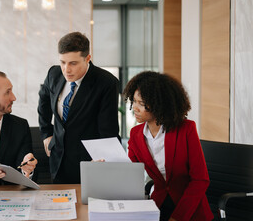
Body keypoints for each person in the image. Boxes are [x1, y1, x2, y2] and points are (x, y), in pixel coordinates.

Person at [123, 71, 213, 221]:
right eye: (134, 101)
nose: (134, 108)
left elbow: (200, 179)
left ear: (159, 104)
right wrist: (105, 165)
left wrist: (179, 217)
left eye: (142, 104)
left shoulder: (186, 129)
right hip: (158, 206)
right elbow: (130, 171)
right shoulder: (136, 134)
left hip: (189, 209)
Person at [38, 31, 120, 184]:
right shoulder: (54, 74)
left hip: (88, 162)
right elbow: (43, 102)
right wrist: (46, 133)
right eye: (63, 62)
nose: (66, 69)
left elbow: (108, 129)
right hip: (57, 159)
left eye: (73, 63)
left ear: (87, 59)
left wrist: (104, 160)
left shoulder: (106, 83)